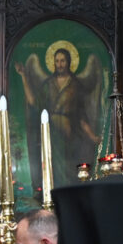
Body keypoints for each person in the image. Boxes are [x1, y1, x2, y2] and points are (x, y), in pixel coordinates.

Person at [15, 47, 101, 191]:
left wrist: (93, 137)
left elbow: (81, 117)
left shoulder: (75, 85)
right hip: (51, 135)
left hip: (69, 136)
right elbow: (34, 103)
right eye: (57, 61)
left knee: (69, 172)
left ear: (69, 62)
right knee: (52, 170)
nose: (60, 64)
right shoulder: (48, 84)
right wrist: (24, 76)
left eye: (63, 61)